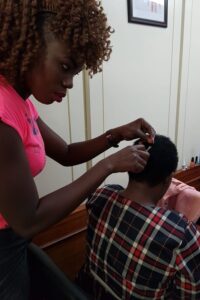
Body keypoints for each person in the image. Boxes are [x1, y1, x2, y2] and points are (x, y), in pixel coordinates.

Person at [0, 1, 156, 299]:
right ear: (31, 44)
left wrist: (116, 134)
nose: (70, 83)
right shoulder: (2, 113)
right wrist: (109, 165)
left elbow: (67, 151)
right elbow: (28, 219)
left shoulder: (20, 101)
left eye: (77, 72)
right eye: (64, 66)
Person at [77, 135, 200, 299]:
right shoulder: (181, 234)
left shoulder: (100, 196)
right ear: (168, 179)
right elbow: (191, 294)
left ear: (130, 167)